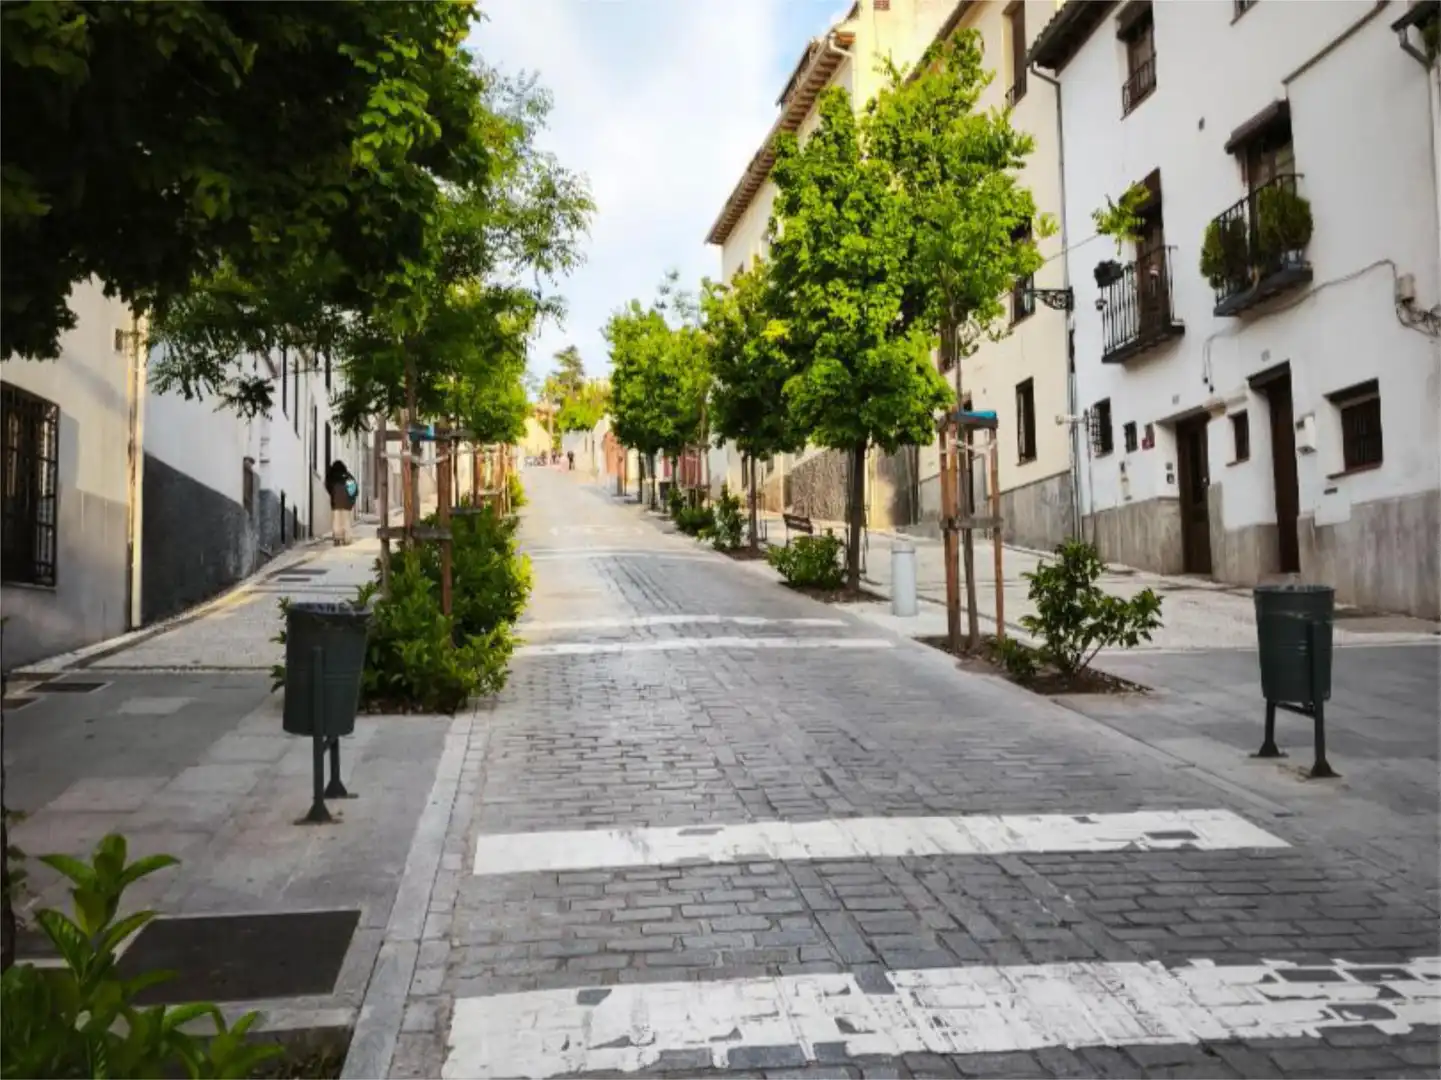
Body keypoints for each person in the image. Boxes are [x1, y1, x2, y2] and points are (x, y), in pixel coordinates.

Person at [325, 459, 357, 545]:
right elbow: (354, 487)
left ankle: (337, 537)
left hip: (336, 501)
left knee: (336, 519)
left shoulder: (331, 476)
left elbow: (328, 486)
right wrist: (352, 499)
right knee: (346, 520)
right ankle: (346, 538)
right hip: (346, 501)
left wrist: (332, 494)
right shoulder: (348, 476)